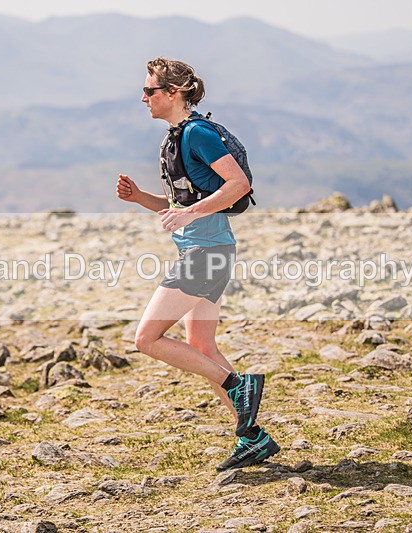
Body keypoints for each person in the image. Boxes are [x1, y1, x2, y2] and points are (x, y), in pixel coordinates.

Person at [115, 57, 279, 471]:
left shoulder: (198, 133)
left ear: (174, 93)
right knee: (202, 346)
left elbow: (238, 185)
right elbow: (179, 205)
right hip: (209, 252)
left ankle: (237, 386)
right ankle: (253, 438)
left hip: (205, 256)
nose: (143, 97)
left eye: (149, 91)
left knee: (146, 339)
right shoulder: (175, 139)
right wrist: (140, 198)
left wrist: (188, 215)